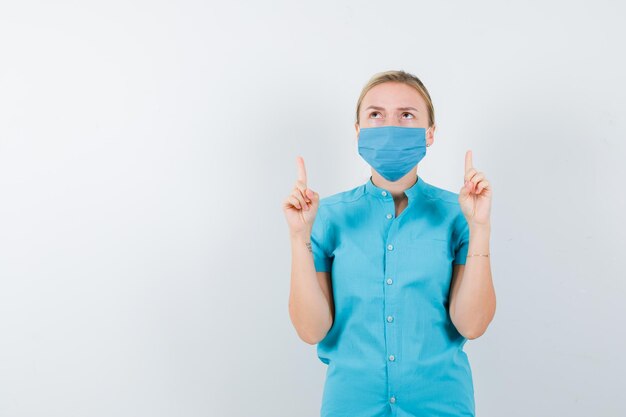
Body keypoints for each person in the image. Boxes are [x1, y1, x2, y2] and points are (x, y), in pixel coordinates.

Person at [283, 70, 496, 417]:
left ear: (429, 134)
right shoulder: (327, 216)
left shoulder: (458, 214)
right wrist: (298, 236)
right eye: (376, 114)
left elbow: (471, 324)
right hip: (351, 405)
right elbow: (311, 330)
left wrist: (481, 227)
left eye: (406, 115)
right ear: (358, 131)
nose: (389, 126)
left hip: (441, 405)